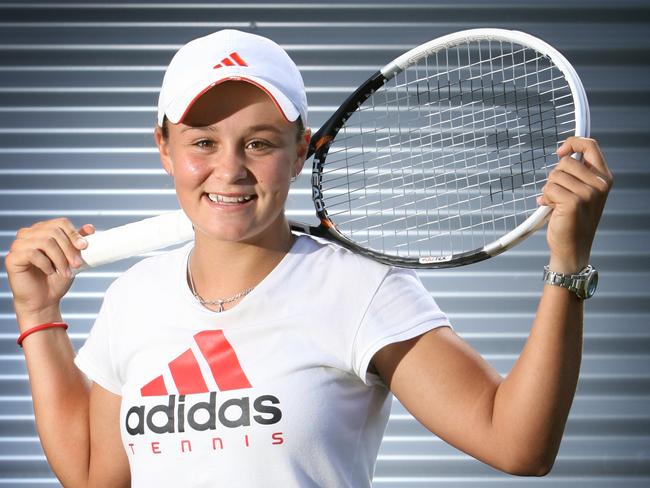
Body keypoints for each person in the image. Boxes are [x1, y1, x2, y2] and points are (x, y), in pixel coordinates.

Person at [5, 29, 612, 488]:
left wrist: (569, 262)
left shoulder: (358, 289)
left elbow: (519, 443)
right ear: (164, 148)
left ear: (302, 152)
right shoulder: (135, 297)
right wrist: (37, 313)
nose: (230, 169)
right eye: (202, 143)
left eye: (260, 143)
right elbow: (93, 473)